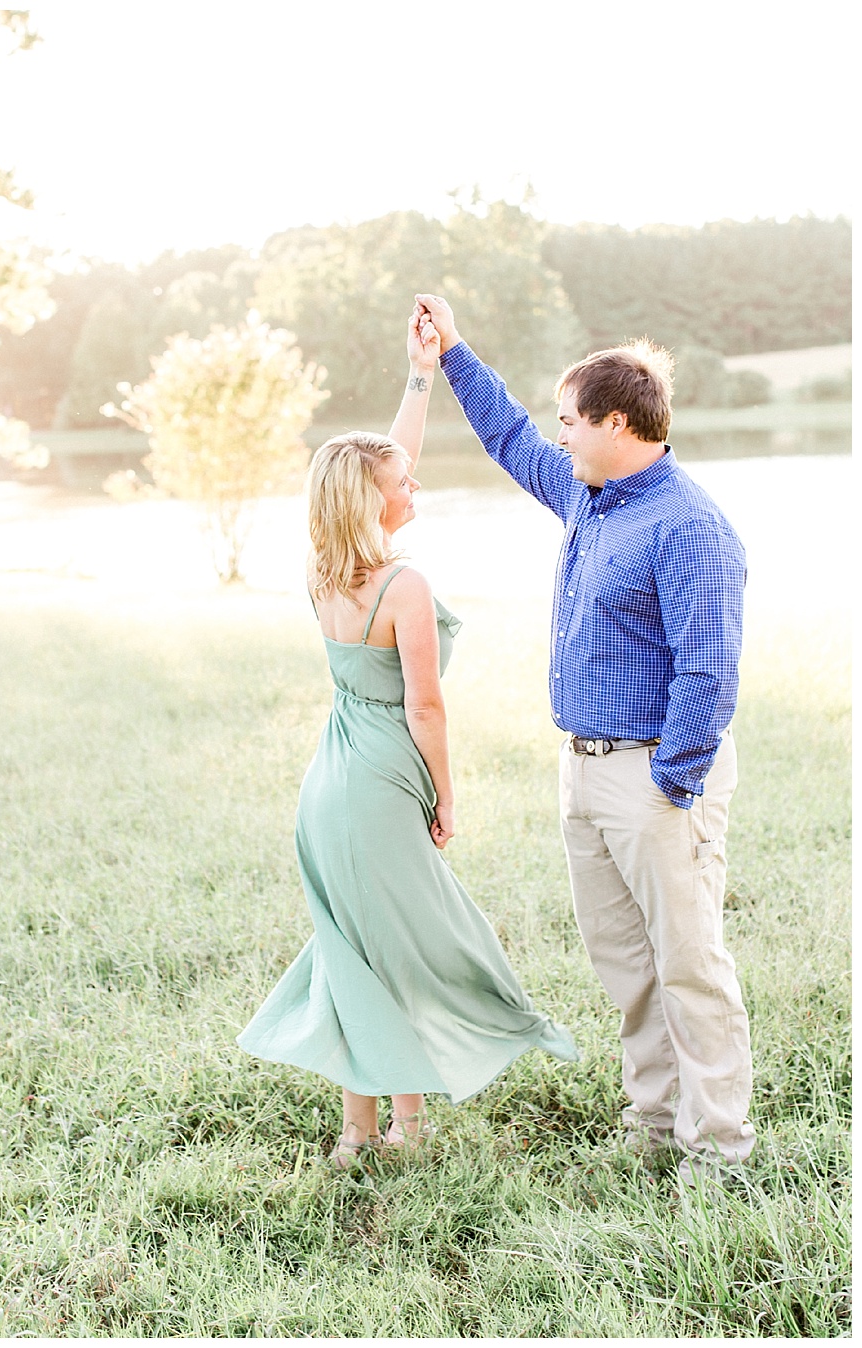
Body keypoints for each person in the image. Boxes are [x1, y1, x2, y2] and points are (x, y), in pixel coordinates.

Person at [412, 293, 753, 1184]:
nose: (558, 435)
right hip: (584, 772)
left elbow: (710, 670)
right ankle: (653, 1123)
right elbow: (511, 437)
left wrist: (671, 784)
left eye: (572, 421)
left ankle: (717, 1150)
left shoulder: (687, 525)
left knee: (690, 967)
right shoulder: (589, 495)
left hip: (654, 778)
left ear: (616, 422)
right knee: (627, 967)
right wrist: (453, 352)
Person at [236, 312, 577, 1168]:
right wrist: (446, 797)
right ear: (374, 501)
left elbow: (383, 461)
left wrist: (422, 374)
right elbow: (426, 708)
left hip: (329, 784)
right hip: (386, 778)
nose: (415, 485)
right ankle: (409, 1127)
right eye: (404, 485)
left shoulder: (323, 570)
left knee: (352, 947)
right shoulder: (405, 585)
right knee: (408, 951)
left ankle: (360, 1131)